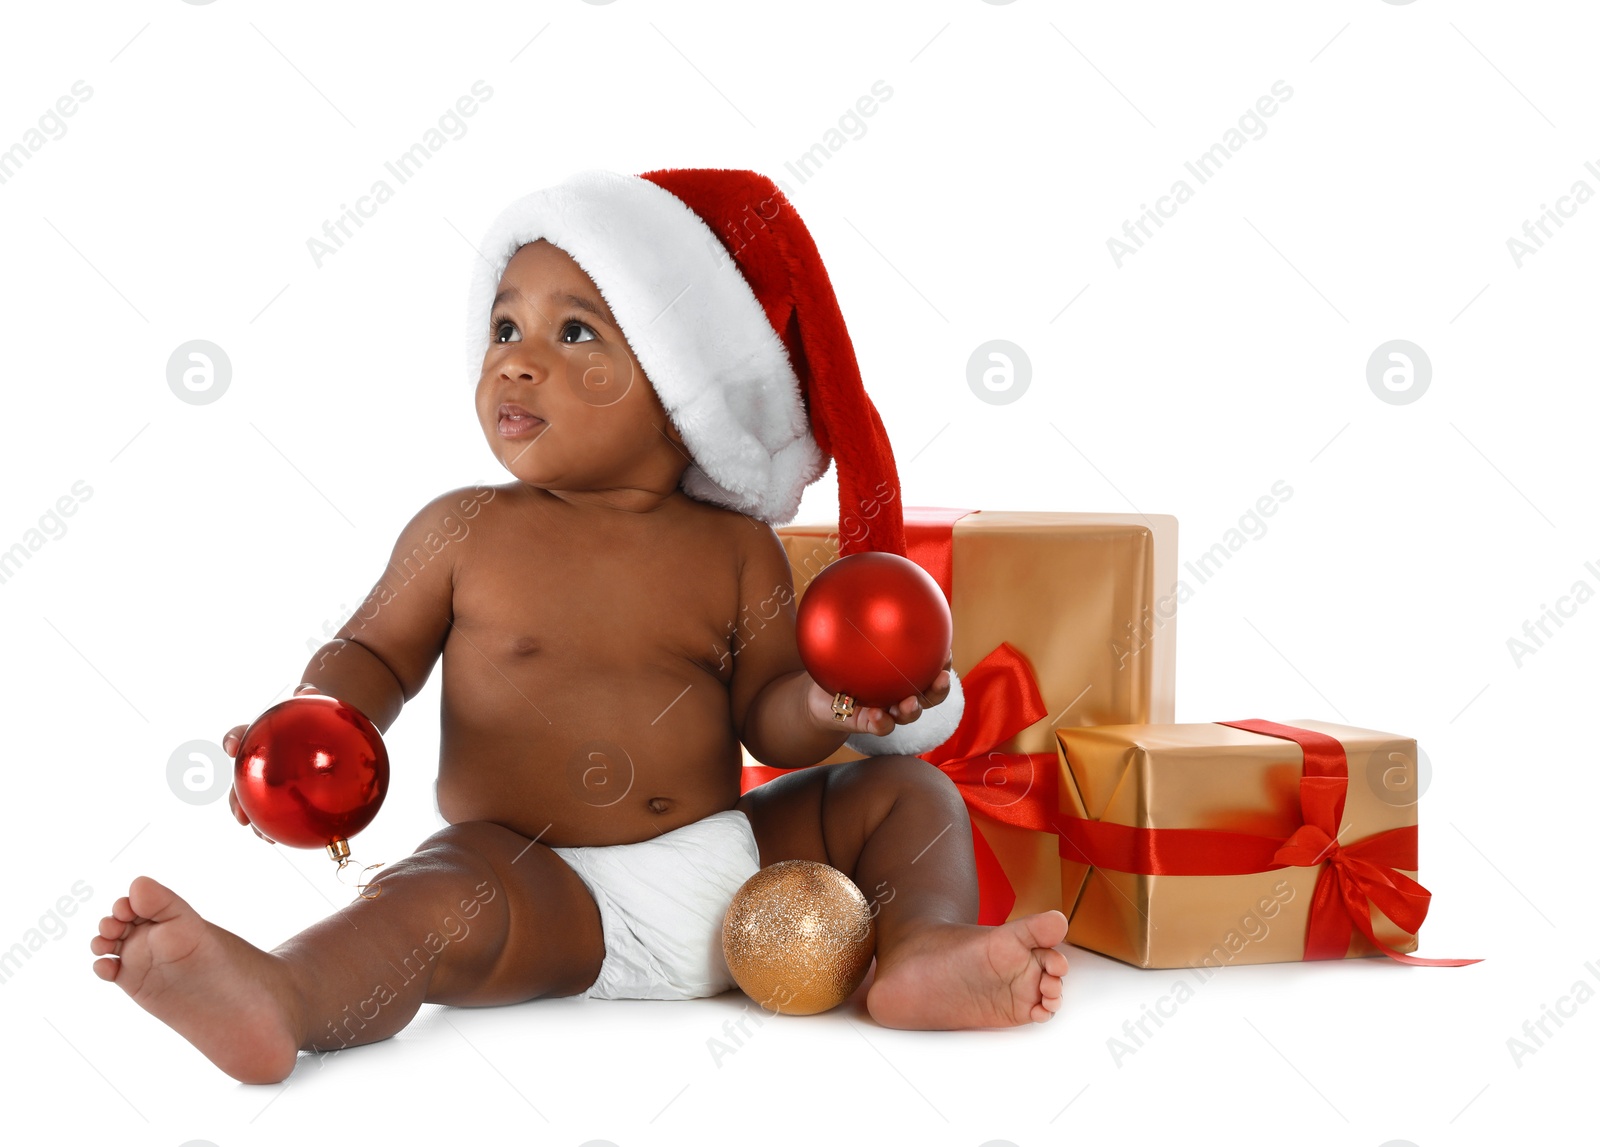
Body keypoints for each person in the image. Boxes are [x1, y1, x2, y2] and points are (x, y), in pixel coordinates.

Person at [90, 168, 1069, 1084]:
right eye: (504, 325)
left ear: (680, 393)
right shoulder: (464, 530)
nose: (516, 362)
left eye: (574, 336)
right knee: (433, 898)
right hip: (543, 892)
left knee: (905, 794)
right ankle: (288, 994)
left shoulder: (732, 550)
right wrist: (316, 713)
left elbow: (768, 720)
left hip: (732, 868)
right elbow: (371, 653)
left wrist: (824, 702)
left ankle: (919, 952)